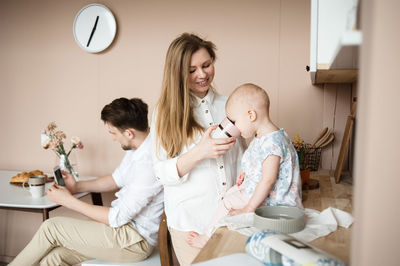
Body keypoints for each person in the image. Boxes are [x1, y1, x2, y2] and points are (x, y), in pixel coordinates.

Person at [10, 98, 164, 266]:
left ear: (129, 133)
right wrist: (77, 186)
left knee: (51, 228)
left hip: (134, 241)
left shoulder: (148, 165)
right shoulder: (138, 147)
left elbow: (116, 218)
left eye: (113, 133)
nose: (113, 139)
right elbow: (115, 179)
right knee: (54, 258)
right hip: (123, 232)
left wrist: (68, 201)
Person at [150, 33, 244, 265]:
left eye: (206, 65)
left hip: (232, 220)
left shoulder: (230, 104)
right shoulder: (164, 113)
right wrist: (201, 152)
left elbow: (243, 159)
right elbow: (161, 173)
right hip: (190, 224)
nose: (202, 74)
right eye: (191, 70)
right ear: (178, 73)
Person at [187, 83, 303, 248]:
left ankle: (208, 236)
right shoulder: (264, 136)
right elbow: (258, 163)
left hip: (276, 200)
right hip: (265, 192)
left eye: (234, 121)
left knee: (227, 200)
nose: (234, 127)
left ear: (251, 115)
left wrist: (249, 208)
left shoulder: (272, 143)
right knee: (231, 193)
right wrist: (245, 172)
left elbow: (268, 180)